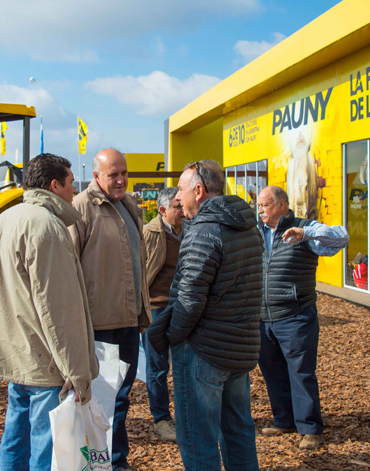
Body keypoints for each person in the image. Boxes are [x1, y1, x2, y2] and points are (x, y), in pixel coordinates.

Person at [0, 154, 98, 471]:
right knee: (46, 448)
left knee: (16, 438)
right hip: (45, 359)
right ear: (54, 185)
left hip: (16, 351)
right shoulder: (48, 228)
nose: (74, 190)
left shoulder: (5, 219)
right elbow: (59, 309)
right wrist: (76, 371)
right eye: (71, 183)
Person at [147, 160, 263, 471]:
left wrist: (171, 336)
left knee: (198, 440)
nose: (176, 199)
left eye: (181, 191)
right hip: (237, 348)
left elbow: (190, 298)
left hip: (204, 351)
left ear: (199, 191)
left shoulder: (204, 230)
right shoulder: (246, 225)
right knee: (238, 433)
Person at [70, 148, 150, 471]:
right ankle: (106, 464)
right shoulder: (81, 207)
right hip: (100, 325)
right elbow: (70, 266)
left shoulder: (129, 205)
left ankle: (112, 461)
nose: (120, 180)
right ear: (96, 176)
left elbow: (137, 262)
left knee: (121, 398)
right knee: (103, 401)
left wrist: (141, 313)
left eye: (124, 173)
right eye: (112, 174)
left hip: (129, 324)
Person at [256, 186, 348, 450]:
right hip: (263, 318)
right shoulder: (256, 232)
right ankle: (283, 420)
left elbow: (341, 237)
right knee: (272, 372)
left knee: (301, 372)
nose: (260, 210)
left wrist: (306, 233)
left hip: (295, 315)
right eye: (258, 205)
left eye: (265, 205)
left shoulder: (304, 228)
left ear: (282, 205)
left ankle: (310, 428)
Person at [141, 187, 183, 442]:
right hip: (156, 309)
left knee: (183, 364)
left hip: (182, 308)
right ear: (163, 210)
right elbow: (139, 273)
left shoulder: (188, 231)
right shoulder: (149, 233)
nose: (182, 210)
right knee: (157, 367)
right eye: (177, 206)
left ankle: (186, 414)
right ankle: (161, 418)